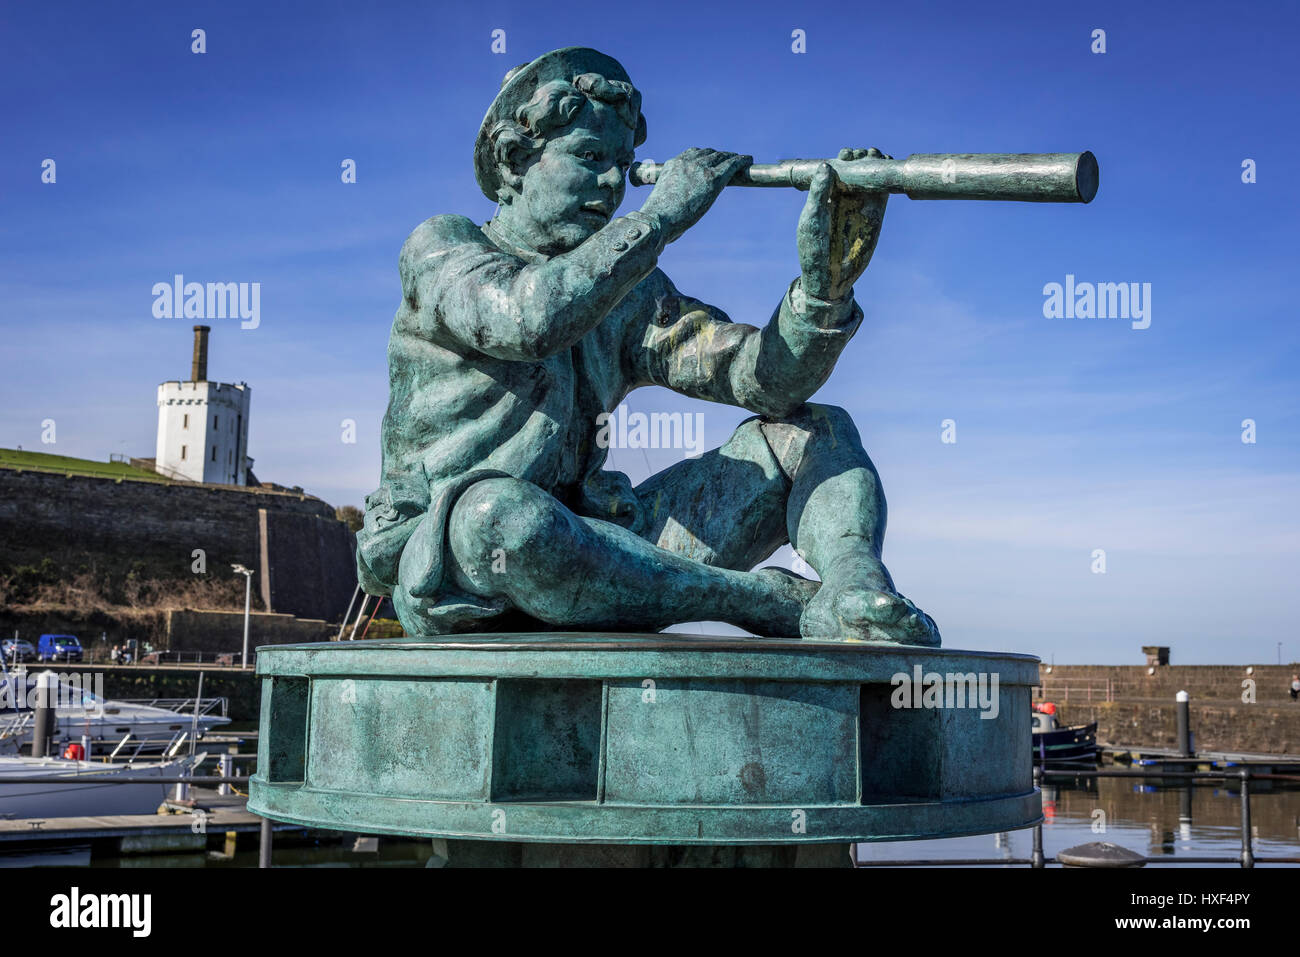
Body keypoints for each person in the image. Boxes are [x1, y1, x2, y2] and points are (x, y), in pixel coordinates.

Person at [356, 47, 939, 645]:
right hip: (466, 564)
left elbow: (759, 379)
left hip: (604, 550)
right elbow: (527, 321)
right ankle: (766, 601)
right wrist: (659, 219)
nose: (613, 185)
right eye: (589, 158)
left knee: (815, 430)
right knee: (498, 515)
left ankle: (853, 594)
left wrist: (824, 291)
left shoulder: (630, 291)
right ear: (514, 163)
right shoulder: (441, 248)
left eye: (623, 164)